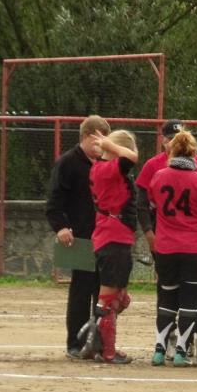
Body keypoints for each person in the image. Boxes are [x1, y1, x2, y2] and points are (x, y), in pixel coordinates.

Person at [135, 119, 197, 360]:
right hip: (193, 246)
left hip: (167, 246)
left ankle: (160, 352)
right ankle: (181, 351)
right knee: (189, 300)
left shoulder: (160, 175)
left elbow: (150, 204)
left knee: (168, 298)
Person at [45, 115, 111, 359]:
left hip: (106, 237)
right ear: (84, 136)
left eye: (105, 139)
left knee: (104, 293)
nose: (101, 143)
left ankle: (100, 343)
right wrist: (61, 227)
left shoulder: (107, 163)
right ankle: (76, 343)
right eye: (97, 138)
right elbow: (54, 201)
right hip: (82, 239)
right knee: (81, 292)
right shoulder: (67, 163)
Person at [86, 129, 139, 364]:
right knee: (110, 300)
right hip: (113, 236)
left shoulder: (100, 166)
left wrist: (108, 146)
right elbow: (132, 157)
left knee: (118, 298)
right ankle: (107, 351)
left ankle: (95, 344)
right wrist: (111, 145)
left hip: (112, 235)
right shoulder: (108, 168)